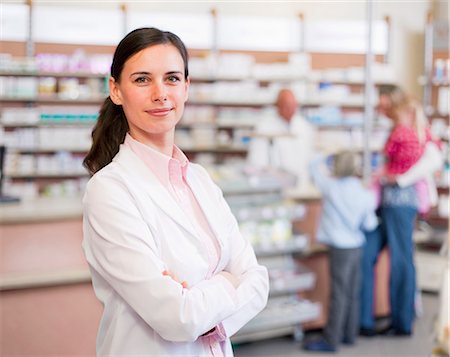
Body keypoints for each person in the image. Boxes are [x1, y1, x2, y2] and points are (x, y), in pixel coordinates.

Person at [82, 27, 269, 356]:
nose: (160, 93)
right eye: (142, 79)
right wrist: (228, 282)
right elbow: (177, 318)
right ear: (116, 90)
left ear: (186, 87)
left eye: (171, 78)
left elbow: (258, 281)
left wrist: (206, 307)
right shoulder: (109, 191)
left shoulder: (200, 180)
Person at [359, 86, 443, 336]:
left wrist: (401, 179)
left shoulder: (412, 125)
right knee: (367, 254)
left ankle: (402, 322)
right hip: (385, 202)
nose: (381, 109)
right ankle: (365, 321)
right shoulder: (394, 128)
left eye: (385, 105)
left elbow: (434, 157)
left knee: (401, 261)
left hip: (400, 200)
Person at [303, 151, 378, 352]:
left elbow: (311, 166)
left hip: (339, 247)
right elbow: (370, 224)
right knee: (352, 292)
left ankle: (331, 340)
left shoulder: (331, 187)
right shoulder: (365, 193)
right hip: (356, 245)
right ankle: (350, 334)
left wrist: (328, 152)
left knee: (338, 293)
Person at [246, 88, 317, 191]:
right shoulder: (264, 127)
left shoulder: (304, 126)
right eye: (286, 106)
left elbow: (309, 156)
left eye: (293, 106)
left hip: (301, 183)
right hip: (275, 185)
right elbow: (256, 161)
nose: (290, 110)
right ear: (277, 106)